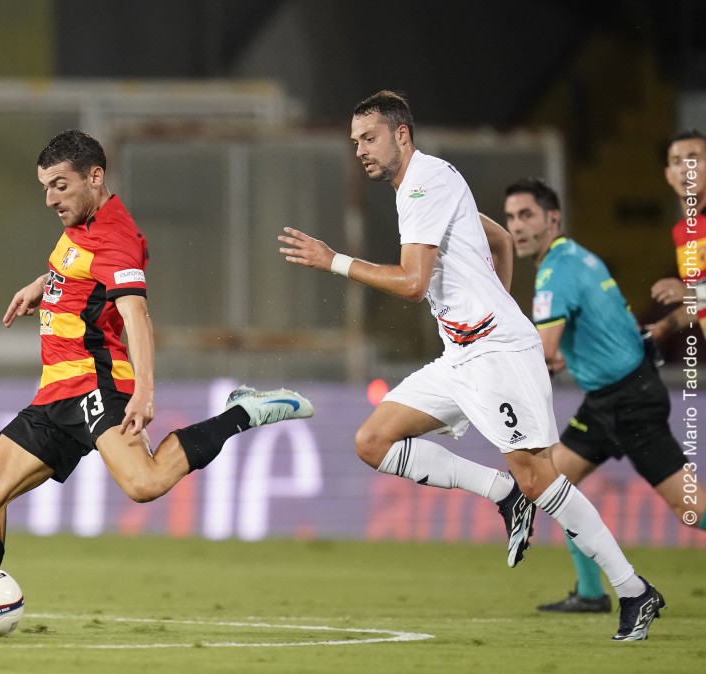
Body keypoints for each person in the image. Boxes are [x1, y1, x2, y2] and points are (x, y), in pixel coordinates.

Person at [0, 130, 314, 636]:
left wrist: (145, 391)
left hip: (97, 382)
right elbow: (78, 268)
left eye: (60, 185)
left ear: (95, 176)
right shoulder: (81, 223)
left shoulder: (115, 237)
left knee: (144, 484)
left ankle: (243, 411)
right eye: (46, 187)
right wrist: (42, 285)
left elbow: (136, 316)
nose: (50, 199)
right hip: (56, 390)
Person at [278, 90, 663, 641]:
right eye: (355, 141)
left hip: (498, 353)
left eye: (370, 138)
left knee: (540, 477)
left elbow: (413, 284)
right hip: (462, 356)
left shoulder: (423, 184)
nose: (360, 149)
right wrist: (496, 302)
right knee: (373, 441)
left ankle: (633, 589)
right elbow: (499, 239)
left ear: (401, 134)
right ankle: (501, 493)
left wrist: (333, 260)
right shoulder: (423, 183)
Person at [503, 177, 705, 614]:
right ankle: (591, 593)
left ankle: (596, 591)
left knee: (690, 509)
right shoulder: (578, 257)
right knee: (554, 483)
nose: (516, 226)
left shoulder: (554, 274)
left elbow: (544, 353)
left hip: (631, 401)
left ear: (552, 219)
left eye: (526, 215)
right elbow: (596, 328)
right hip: (608, 398)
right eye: (511, 217)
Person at [647, 130, 706, 340]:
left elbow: (697, 294)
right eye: (677, 162)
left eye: (693, 159)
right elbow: (702, 301)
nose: (685, 169)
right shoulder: (682, 232)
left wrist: (691, 293)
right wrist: (665, 326)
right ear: (669, 175)